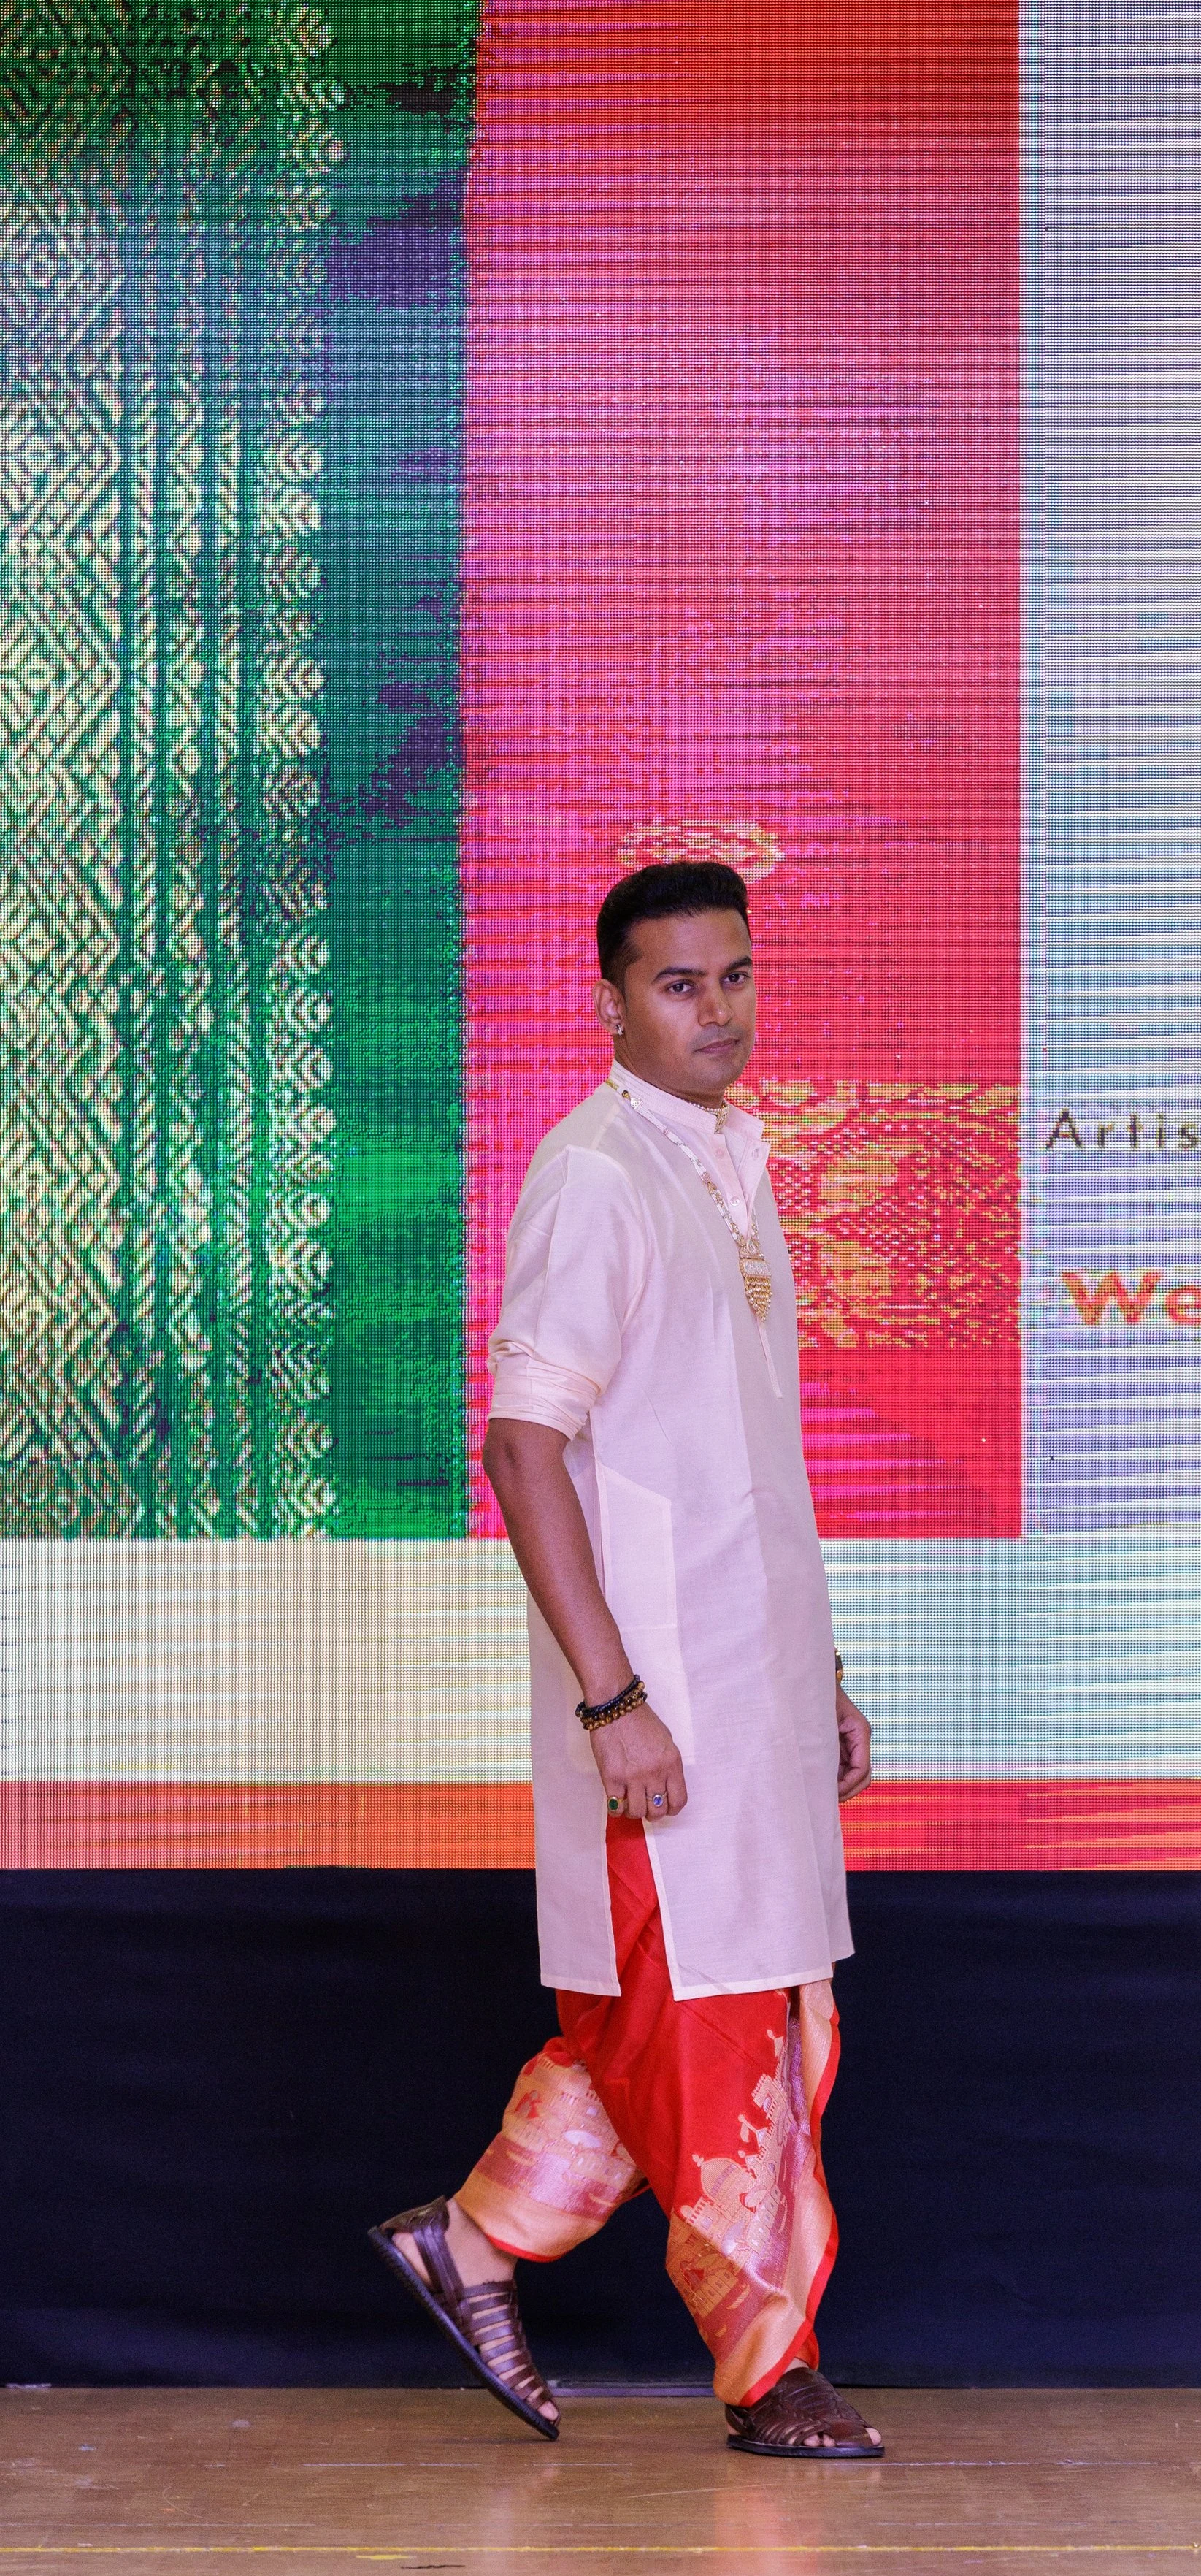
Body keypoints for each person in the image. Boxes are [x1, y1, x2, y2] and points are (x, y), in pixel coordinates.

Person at [369, 859, 882, 2458]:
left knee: (714, 2019)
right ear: (610, 1002)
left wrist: (822, 1672)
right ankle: (769, 2366)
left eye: (732, 976)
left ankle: (467, 2243)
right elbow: (524, 1447)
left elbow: (749, 1462)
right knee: (712, 2029)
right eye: (677, 984)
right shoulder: (596, 1170)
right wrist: (611, 1697)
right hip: (652, 1705)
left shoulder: (735, 1160)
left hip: (754, 1685)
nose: (714, 1009)